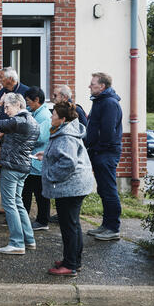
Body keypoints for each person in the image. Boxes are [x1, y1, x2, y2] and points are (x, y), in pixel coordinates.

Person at [37, 99, 95, 277]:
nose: (51, 116)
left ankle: (70, 265)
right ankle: (73, 261)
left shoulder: (65, 136)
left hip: (71, 187)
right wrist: (45, 156)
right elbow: (63, 155)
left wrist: (49, 174)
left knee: (69, 226)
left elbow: (68, 163)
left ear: (62, 119)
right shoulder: (66, 130)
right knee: (73, 224)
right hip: (76, 186)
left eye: (53, 114)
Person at [0, 91, 39, 255]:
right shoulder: (32, 121)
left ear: (19, 104)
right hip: (24, 166)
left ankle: (17, 242)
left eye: (7, 106)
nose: (5, 110)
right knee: (18, 202)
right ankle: (29, 239)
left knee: (9, 204)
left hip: (12, 167)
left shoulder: (19, 121)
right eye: (4, 107)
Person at [84, 72, 123, 241]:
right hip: (99, 152)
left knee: (109, 190)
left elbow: (107, 132)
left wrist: (97, 148)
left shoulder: (109, 103)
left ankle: (113, 228)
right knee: (103, 189)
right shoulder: (100, 101)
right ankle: (106, 225)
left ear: (102, 86)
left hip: (105, 153)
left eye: (93, 84)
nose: (89, 86)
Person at [22, 87, 52, 231]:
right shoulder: (34, 112)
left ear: (37, 100)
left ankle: (42, 221)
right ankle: (24, 218)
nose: (27, 105)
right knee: (27, 190)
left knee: (40, 193)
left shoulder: (44, 115)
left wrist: (24, 134)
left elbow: (42, 137)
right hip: (32, 160)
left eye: (29, 101)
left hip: (39, 161)